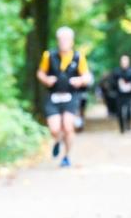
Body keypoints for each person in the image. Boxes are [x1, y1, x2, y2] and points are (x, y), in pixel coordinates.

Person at [36, 27, 93, 168]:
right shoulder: (48, 55)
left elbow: (87, 76)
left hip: (71, 96)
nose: (64, 42)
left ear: (72, 41)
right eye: (61, 39)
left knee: (68, 127)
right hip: (53, 96)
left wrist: (80, 81)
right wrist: (46, 79)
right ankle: (57, 140)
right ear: (58, 41)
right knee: (55, 129)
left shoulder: (78, 57)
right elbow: (40, 73)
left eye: (67, 39)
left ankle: (66, 156)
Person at [111, 54, 131, 133]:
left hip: (130, 95)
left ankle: (128, 125)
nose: (124, 63)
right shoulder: (116, 71)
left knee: (129, 111)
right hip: (119, 95)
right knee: (119, 112)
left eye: (126, 61)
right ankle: (121, 128)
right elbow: (111, 83)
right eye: (123, 61)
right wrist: (118, 84)